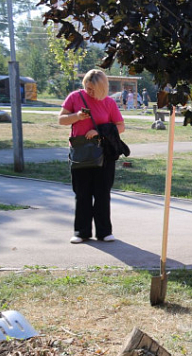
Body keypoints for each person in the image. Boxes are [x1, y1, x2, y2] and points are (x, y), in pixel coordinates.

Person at [59, 69, 126, 244]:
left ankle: (104, 232)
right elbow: (61, 119)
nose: (89, 92)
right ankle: (81, 232)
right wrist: (77, 116)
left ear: (102, 88)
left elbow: (120, 126)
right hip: (80, 152)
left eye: (93, 89)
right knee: (82, 193)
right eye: (87, 88)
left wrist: (99, 132)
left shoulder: (109, 102)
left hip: (103, 153)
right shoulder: (74, 97)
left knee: (102, 193)